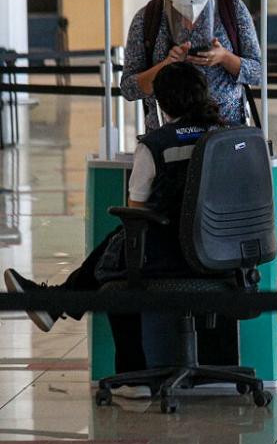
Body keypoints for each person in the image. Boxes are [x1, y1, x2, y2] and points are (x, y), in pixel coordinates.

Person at [3, 63, 225, 388]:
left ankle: (130, 379)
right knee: (121, 248)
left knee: (117, 272)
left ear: (161, 103)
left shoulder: (156, 145)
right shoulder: (229, 137)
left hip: (172, 258)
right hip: (226, 257)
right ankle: (55, 302)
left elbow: (135, 214)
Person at [121, 0, 261, 132]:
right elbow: (129, 89)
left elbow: (258, 73)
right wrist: (165, 67)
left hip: (226, 133)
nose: (192, 4)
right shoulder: (148, 17)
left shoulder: (232, 9)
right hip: (168, 137)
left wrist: (225, 58)